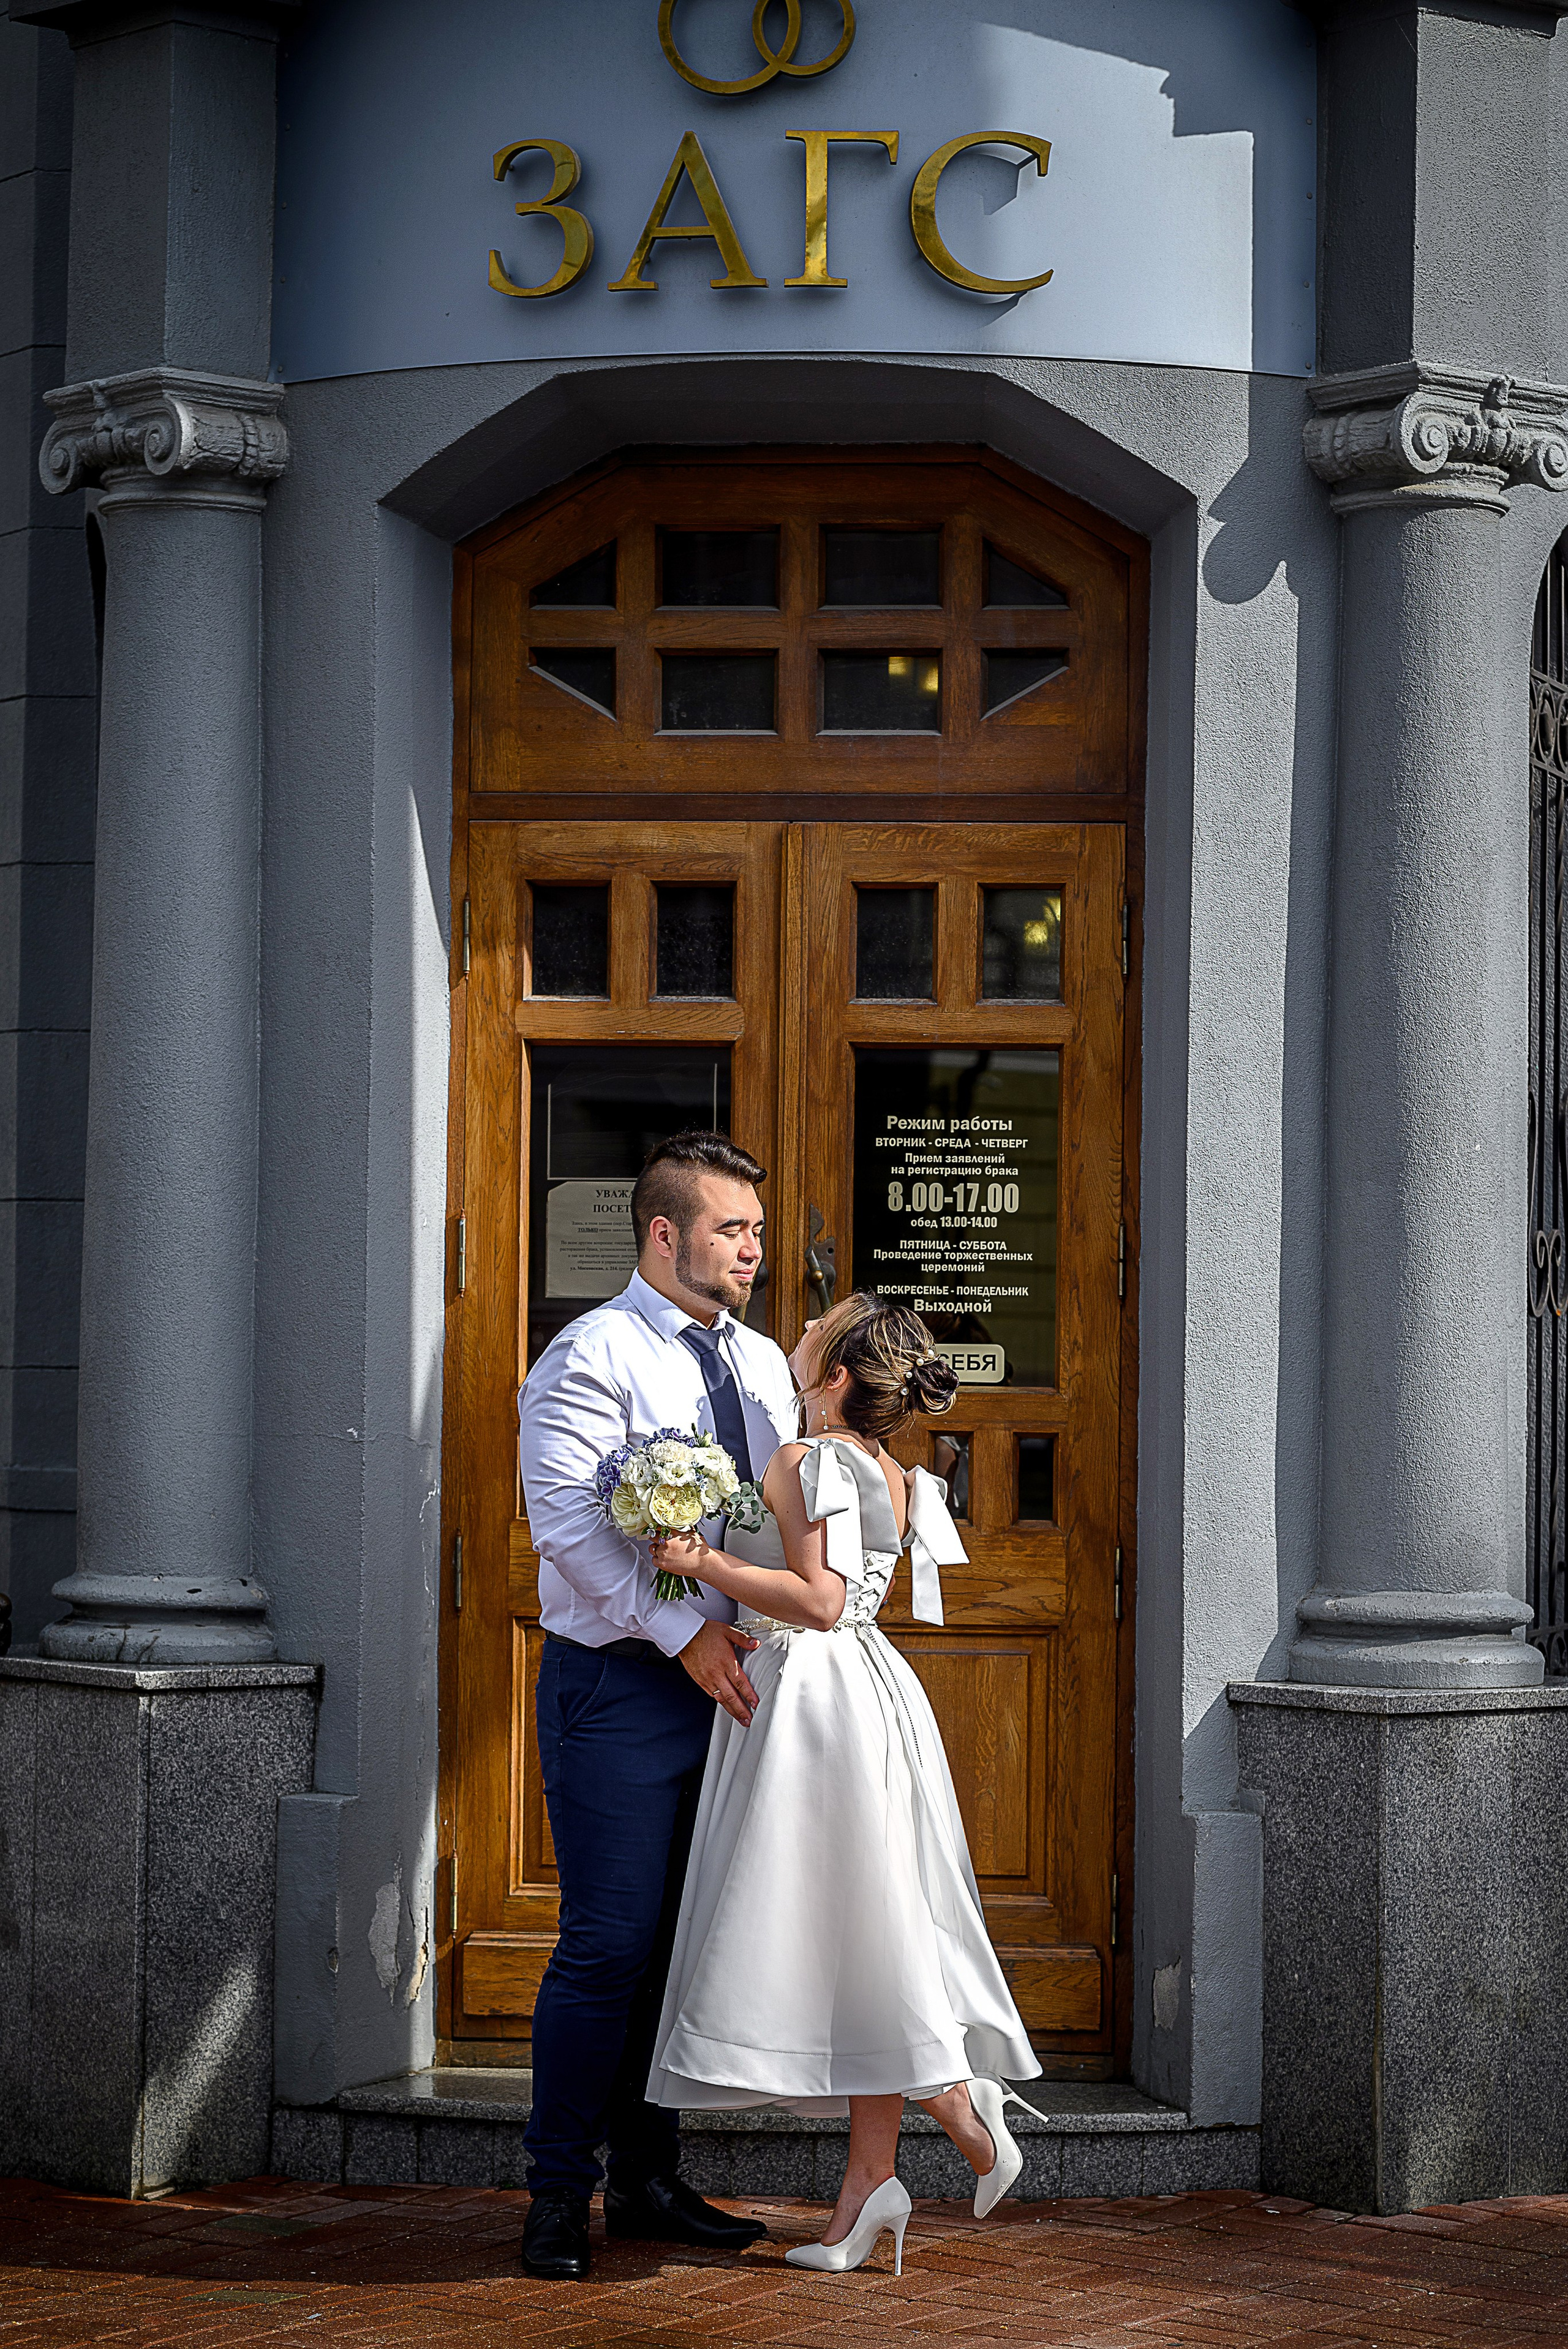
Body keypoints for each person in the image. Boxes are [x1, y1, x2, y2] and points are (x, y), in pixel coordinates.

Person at [647, 1291, 1046, 2277]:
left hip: (817, 1703)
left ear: (831, 1378)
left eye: (817, 1329)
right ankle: (871, 2186)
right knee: (869, 1924)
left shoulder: (811, 1459)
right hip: (872, 1692)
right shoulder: (894, 1470)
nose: (798, 1330)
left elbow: (821, 1602)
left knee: (844, 1919)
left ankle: (955, 2096)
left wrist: (701, 1560)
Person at [515, 1131, 799, 2282]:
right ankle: (553, 2195)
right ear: (664, 1233)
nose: (753, 1253)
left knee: (681, 1950)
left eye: (760, 1235)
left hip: (739, 1682)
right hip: (622, 1688)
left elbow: (787, 1506)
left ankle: (646, 2178)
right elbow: (570, 1527)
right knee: (608, 1947)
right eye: (733, 1232)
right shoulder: (592, 1356)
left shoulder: (767, 1361)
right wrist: (683, 1635)